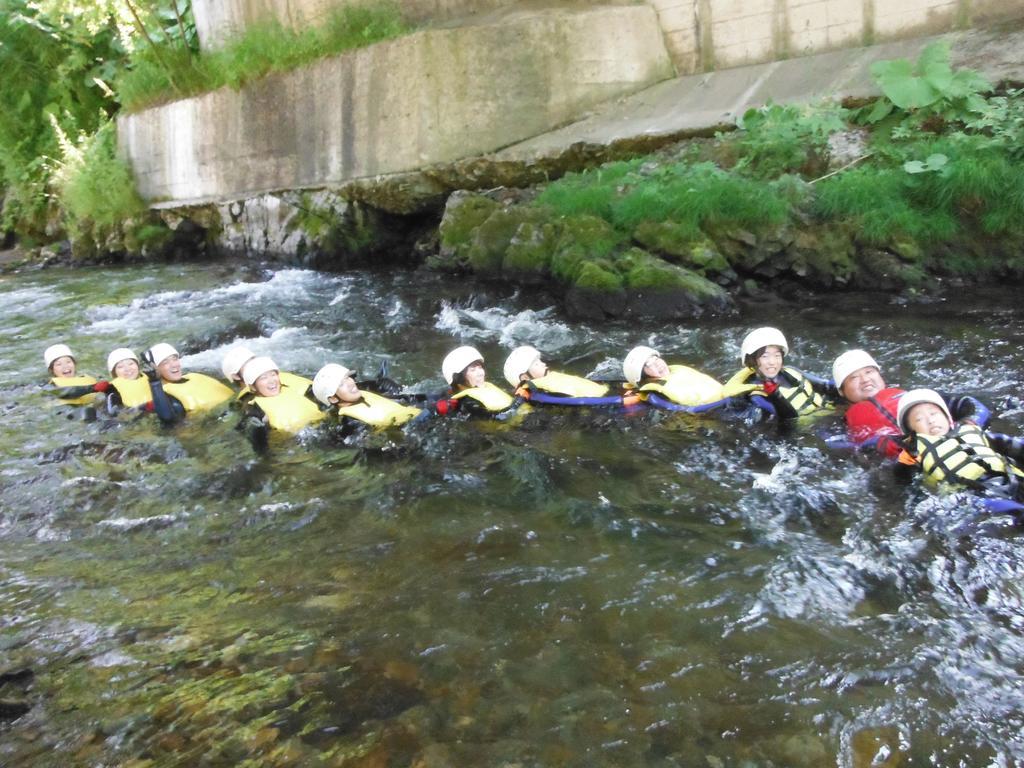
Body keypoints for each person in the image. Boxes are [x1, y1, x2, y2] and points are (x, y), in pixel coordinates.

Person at [833, 349, 989, 457]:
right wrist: (877, 445)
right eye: (853, 378)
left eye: (869, 372)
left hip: (948, 439)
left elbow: (970, 405)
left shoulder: (912, 397)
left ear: (880, 375)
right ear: (842, 391)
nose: (865, 380)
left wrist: (969, 424)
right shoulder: (842, 421)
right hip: (904, 459)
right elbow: (839, 448)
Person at [895, 388, 1024, 509]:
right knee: (1013, 510)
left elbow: (1013, 445)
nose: (930, 420)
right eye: (919, 419)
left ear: (947, 418)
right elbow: (903, 480)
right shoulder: (913, 453)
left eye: (933, 413)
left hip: (1011, 479)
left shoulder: (970, 430)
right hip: (975, 496)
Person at [724, 327, 836, 419]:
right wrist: (775, 395)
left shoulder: (792, 371)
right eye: (765, 356)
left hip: (828, 412)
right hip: (807, 429)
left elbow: (825, 386)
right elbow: (789, 419)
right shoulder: (758, 396)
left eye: (777, 356)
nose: (772, 362)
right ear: (752, 361)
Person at [237, 356, 325, 448]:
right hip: (291, 443)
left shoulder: (294, 389)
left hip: (320, 428)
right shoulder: (255, 408)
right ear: (253, 387)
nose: (271, 381)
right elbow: (254, 437)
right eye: (263, 378)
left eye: (273, 375)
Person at [312, 363, 422, 434]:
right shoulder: (351, 424)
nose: (351, 383)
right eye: (341, 384)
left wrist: (389, 386)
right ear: (333, 399)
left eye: (347, 378)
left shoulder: (363, 391)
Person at [502, 346, 623, 406]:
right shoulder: (536, 393)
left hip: (606, 394)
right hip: (606, 404)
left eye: (539, 361)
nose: (543, 364)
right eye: (536, 364)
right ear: (525, 378)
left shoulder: (549, 380)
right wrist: (619, 401)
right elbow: (574, 401)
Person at [144, 342, 233, 422]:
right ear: (155, 369)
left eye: (175, 359)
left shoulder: (194, 376)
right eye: (165, 362)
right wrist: (154, 382)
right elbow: (168, 419)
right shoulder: (163, 397)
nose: (174, 365)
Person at [621, 346, 726, 412]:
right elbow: (681, 410)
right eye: (650, 364)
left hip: (724, 400)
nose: (658, 364)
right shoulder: (655, 394)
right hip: (710, 412)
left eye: (656, 359)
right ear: (643, 377)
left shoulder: (677, 371)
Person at [435, 346, 517, 417]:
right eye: (473, 370)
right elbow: (501, 418)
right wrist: (521, 400)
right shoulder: (469, 403)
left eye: (480, 368)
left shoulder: (484, 387)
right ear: (459, 378)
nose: (481, 373)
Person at [220, 346, 312, 402]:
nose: (255, 366)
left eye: (253, 361)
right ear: (236, 376)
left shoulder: (283, 381)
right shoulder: (245, 401)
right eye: (247, 365)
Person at [103, 348, 154, 412]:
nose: (127, 369)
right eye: (120, 367)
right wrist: (143, 407)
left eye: (131, 364)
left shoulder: (151, 377)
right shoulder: (113, 389)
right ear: (114, 373)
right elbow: (114, 413)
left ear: (138, 366)